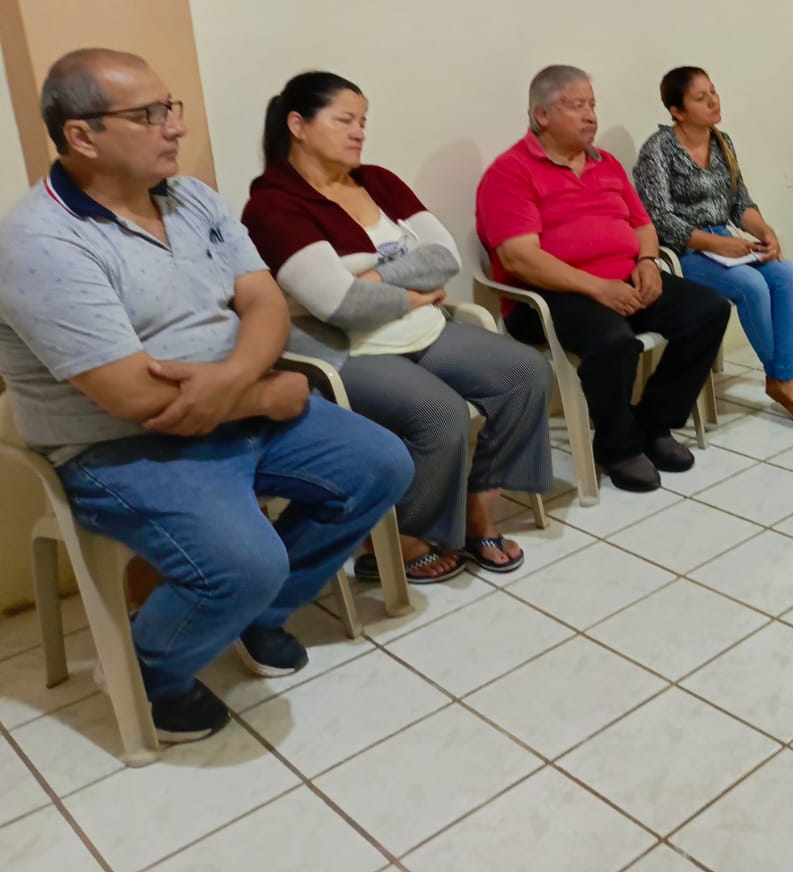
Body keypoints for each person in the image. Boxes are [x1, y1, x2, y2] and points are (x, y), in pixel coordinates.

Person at [0, 49, 412, 743]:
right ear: (81, 135)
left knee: (381, 464)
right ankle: (149, 674)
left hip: (233, 404)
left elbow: (263, 302)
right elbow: (136, 397)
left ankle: (258, 615)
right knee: (245, 562)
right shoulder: (40, 240)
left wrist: (232, 381)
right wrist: (266, 395)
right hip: (119, 445)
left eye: (171, 107)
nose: (175, 126)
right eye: (148, 114)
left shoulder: (190, 197)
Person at [241, 71, 555, 582]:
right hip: (346, 350)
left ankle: (477, 512)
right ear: (298, 125)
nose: (359, 132)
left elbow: (445, 257)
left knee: (525, 372)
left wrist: (375, 279)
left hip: (420, 328)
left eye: (363, 122)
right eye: (345, 120)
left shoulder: (378, 181)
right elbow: (340, 305)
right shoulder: (273, 205)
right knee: (439, 413)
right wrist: (413, 294)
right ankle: (401, 540)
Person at [476, 64, 730, 492]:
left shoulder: (606, 163)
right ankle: (617, 447)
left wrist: (647, 261)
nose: (590, 116)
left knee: (709, 310)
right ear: (542, 115)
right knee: (613, 341)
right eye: (577, 106)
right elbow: (520, 258)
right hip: (549, 295)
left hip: (623, 281)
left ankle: (653, 423)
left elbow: (642, 223)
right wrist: (597, 287)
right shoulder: (511, 172)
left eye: (592, 105)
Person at [632, 66, 793, 428]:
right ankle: (782, 379)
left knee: (785, 274)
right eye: (700, 98)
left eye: (713, 92)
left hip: (723, 239)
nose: (713, 101)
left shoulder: (722, 142)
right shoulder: (658, 150)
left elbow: (739, 202)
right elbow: (659, 219)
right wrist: (717, 243)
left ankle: (782, 377)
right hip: (683, 251)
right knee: (752, 285)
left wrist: (765, 231)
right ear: (677, 111)